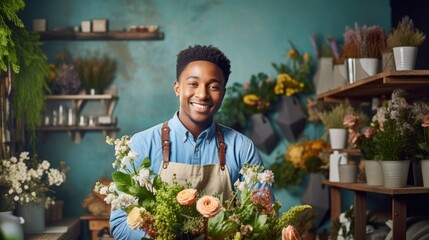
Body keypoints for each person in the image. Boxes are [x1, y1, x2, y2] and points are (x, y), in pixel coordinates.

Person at [110, 44, 274, 239]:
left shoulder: (242, 148)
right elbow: (120, 224)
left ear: (223, 93)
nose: (203, 94)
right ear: (177, 88)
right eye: (193, 84)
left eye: (213, 87)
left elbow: (265, 220)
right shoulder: (142, 145)